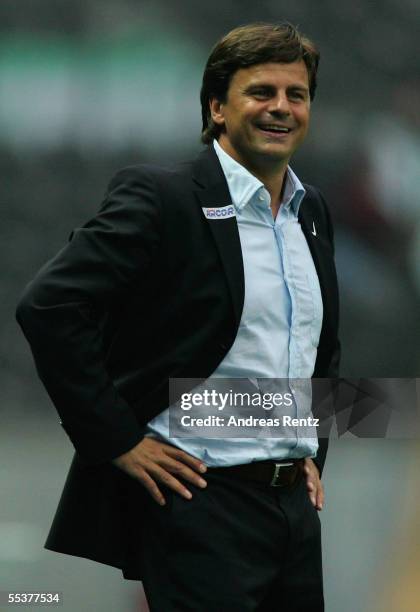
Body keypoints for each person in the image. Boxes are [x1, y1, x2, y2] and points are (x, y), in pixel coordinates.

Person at [16, 22, 340, 611]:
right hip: (200, 503)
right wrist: (116, 439)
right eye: (261, 92)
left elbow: (319, 344)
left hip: (293, 512)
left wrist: (311, 449)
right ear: (217, 106)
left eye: (297, 94)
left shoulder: (309, 208)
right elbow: (49, 306)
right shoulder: (163, 197)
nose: (281, 108)